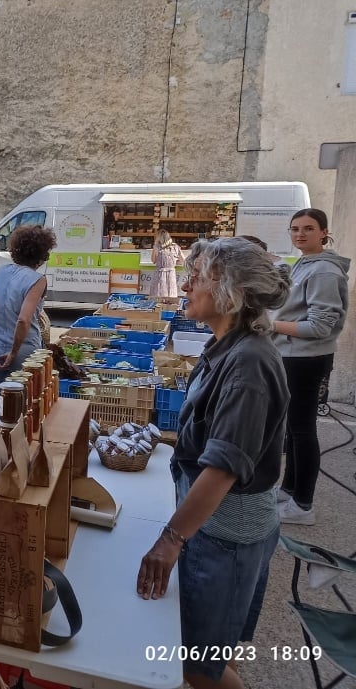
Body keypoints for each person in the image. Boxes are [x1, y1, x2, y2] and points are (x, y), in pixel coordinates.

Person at [137, 237, 291, 688]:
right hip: (220, 530)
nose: (186, 285)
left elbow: (223, 468)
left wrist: (170, 540)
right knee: (219, 649)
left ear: (230, 293)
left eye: (198, 278)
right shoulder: (229, 345)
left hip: (225, 534)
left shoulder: (247, 363)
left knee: (198, 666)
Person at [270, 208, 350, 525]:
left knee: (302, 431)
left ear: (323, 232)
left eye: (308, 228)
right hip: (292, 356)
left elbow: (320, 326)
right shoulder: (304, 264)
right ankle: (289, 490)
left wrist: (273, 326)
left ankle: (303, 505)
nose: (300, 234)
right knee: (293, 429)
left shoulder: (324, 272)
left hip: (306, 359)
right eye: (295, 229)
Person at [0, 224, 57, 419]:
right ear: (42, 255)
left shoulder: (1, 272)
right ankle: (13, 449)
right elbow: (23, 320)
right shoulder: (37, 280)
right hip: (22, 355)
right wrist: (13, 352)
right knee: (22, 412)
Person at [150, 229, 186, 298]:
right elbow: (183, 260)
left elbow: (153, 260)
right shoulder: (175, 247)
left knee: (158, 294)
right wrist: (174, 261)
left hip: (159, 274)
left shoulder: (157, 247)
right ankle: (170, 308)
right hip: (171, 273)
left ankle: (158, 308)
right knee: (170, 293)